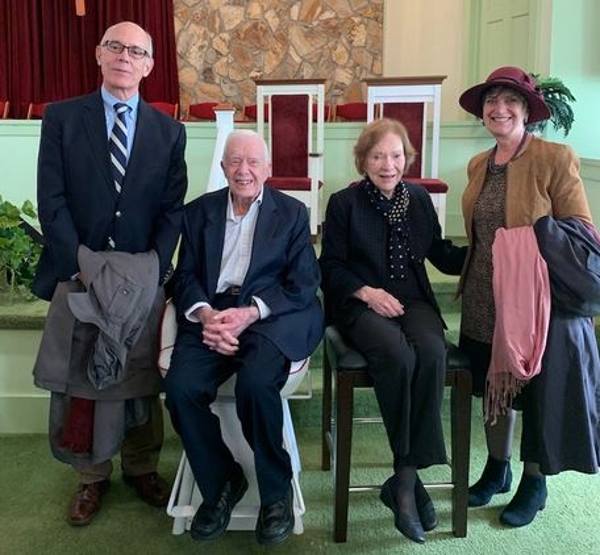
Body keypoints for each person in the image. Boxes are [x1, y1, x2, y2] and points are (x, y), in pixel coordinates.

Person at [31, 21, 188, 526]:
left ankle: (141, 467)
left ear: (149, 66)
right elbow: (51, 199)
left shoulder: (170, 132)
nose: (125, 56)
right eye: (115, 46)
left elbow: (172, 209)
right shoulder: (62, 118)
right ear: (99, 55)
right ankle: (90, 477)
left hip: (142, 276)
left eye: (136, 50)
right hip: (79, 270)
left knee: (140, 375)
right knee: (84, 379)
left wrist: (154, 268)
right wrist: (81, 261)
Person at [163, 130, 323, 546]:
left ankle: (276, 492)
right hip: (214, 314)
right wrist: (208, 315)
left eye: (253, 162)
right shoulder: (198, 214)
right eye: (235, 161)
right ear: (222, 168)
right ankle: (221, 483)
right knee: (180, 389)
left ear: (268, 169)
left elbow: (303, 284)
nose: (244, 170)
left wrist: (250, 312)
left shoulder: (291, 213)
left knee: (255, 383)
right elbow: (186, 276)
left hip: (268, 316)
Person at [458, 66, 600, 527]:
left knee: (537, 392)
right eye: (491, 102)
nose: (500, 109)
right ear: (483, 112)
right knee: (492, 388)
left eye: (510, 101)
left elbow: (583, 230)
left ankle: (533, 481)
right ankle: (497, 469)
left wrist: (532, 240)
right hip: (484, 291)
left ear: (527, 111)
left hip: (536, 303)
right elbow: (479, 233)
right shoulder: (479, 164)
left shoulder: (554, 158)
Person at [319, 118, 466, 544]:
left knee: (433, 351)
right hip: (361, 304)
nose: (388, 164)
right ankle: (407, 484)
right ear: (363, 159)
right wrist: (367, 292)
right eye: (379, 155)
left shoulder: (419, 198)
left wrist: (486, 252)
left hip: (413, 299)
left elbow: (438, 251)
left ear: (408, 159)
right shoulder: (344, 203)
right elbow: (330, 267)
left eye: (397, 155)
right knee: (399, 356)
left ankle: (402, 479)